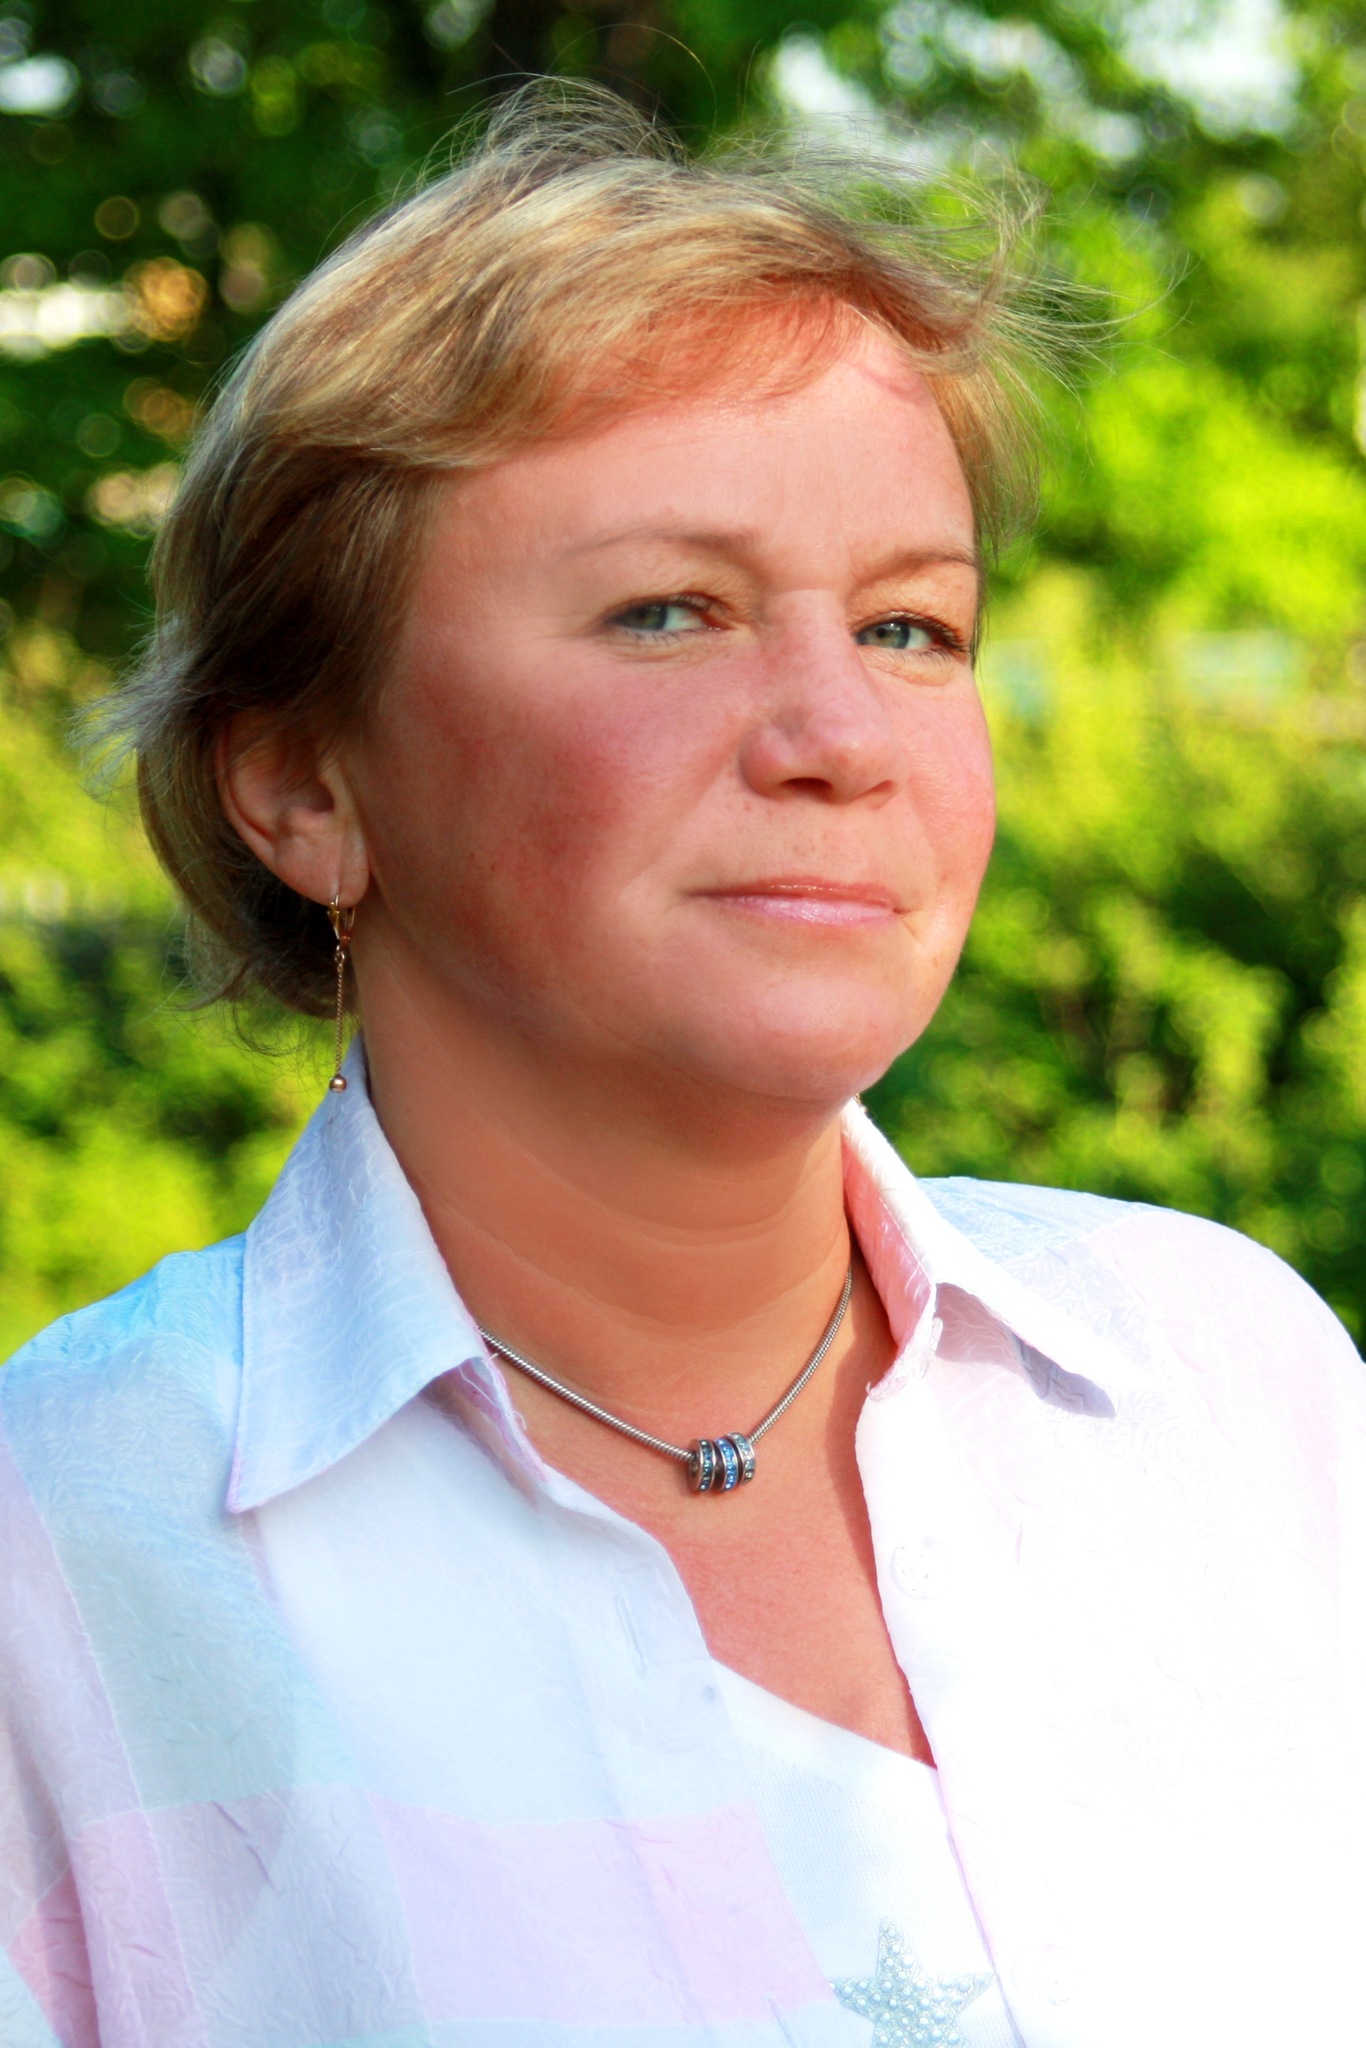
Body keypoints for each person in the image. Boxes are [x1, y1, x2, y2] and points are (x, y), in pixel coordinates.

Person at [2, 87, 1363, 2048]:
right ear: (304, 783)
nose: (838, 734)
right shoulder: (63, 1558)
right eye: (669, 611)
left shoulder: (1231, 1388)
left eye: (910, 625)